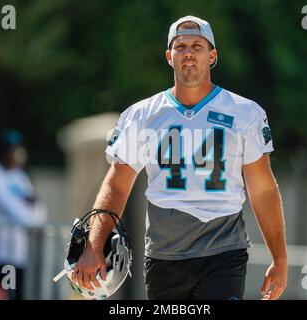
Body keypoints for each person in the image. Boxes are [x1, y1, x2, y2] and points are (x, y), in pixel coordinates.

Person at [72, 15, 287, 300]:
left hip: (223, 251)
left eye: (197, 46)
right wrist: (93, 245)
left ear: (212, 56)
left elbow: (262, 189)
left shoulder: (244, 113)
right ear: (168, 56)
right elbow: (117, 185)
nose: (188, 53)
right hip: (164, 255)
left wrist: (280, 259)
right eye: (180, 46)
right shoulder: (142, 115)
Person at [0, 130, 47, 300]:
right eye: (12, 151)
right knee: (7, 295)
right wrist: (29, 210)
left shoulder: (19, 175)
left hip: (16, 253)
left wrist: (32, 212)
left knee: (16, 295)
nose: (17, 155)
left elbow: (39, 211)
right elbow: (15, 209)